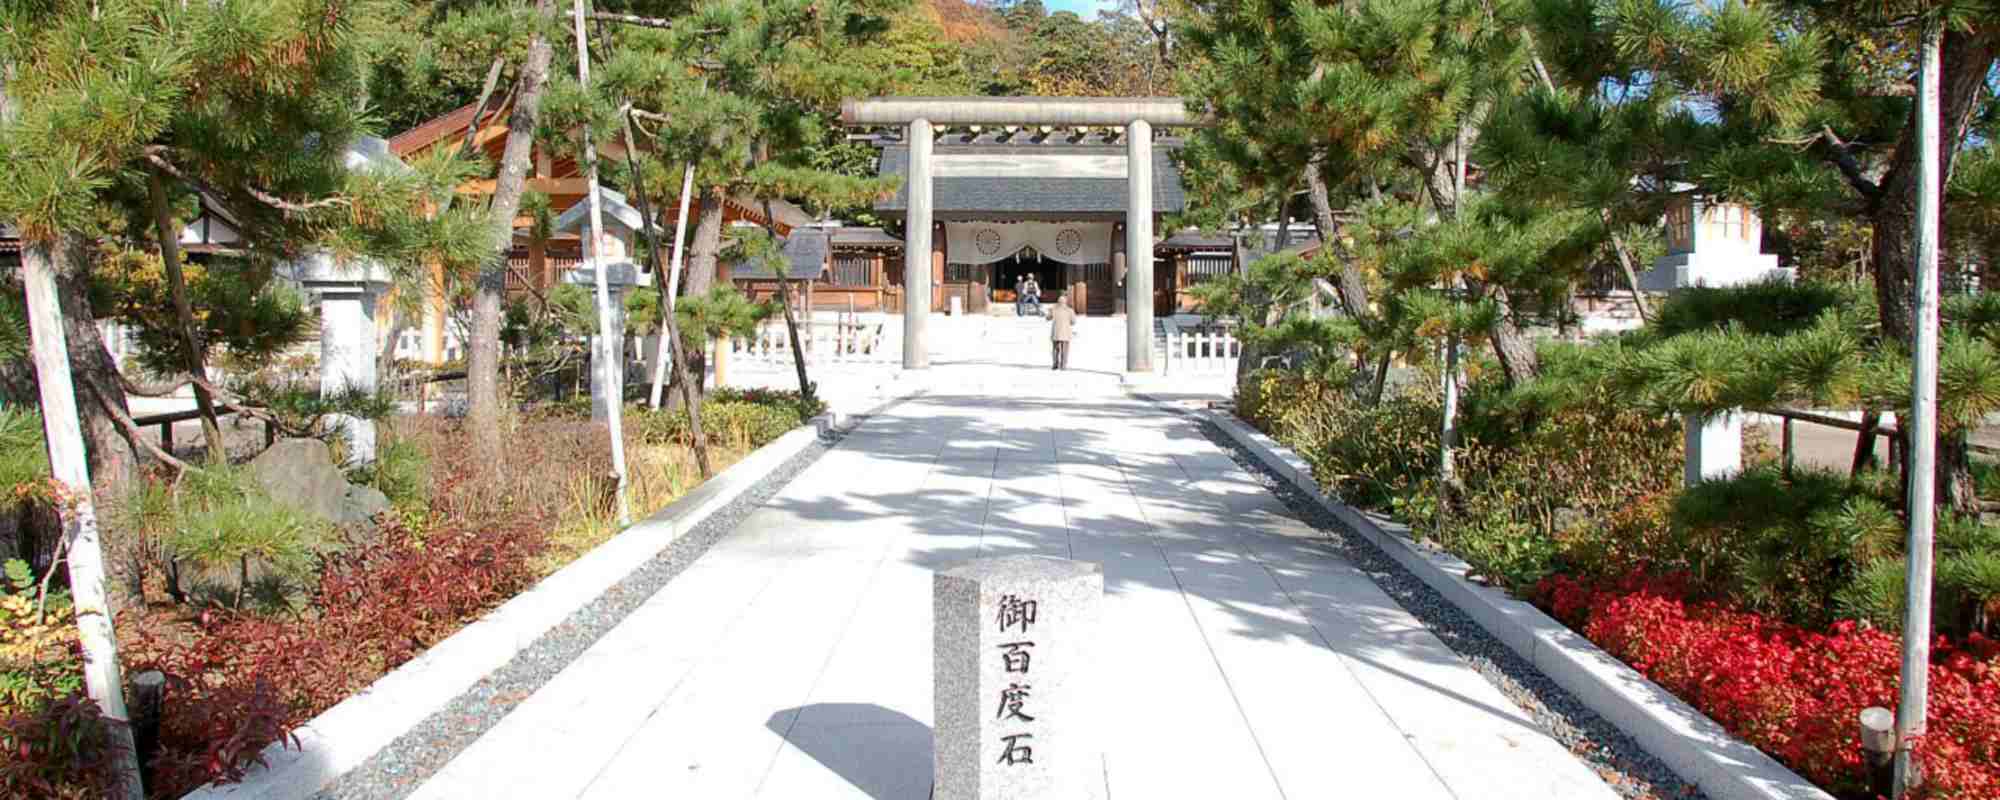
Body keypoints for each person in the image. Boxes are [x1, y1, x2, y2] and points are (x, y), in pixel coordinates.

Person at [1048, 291, 1076, 370]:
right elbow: (1073, 322)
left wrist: (1050, 312)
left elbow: (1048, 318)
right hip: (1066, 333)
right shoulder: (1070, 310)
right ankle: (1063, 365)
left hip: (1056, 333)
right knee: (1065, 350)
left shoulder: (1054, 309)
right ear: (1066, 302)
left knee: (1055, 349)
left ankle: (1055, 364)